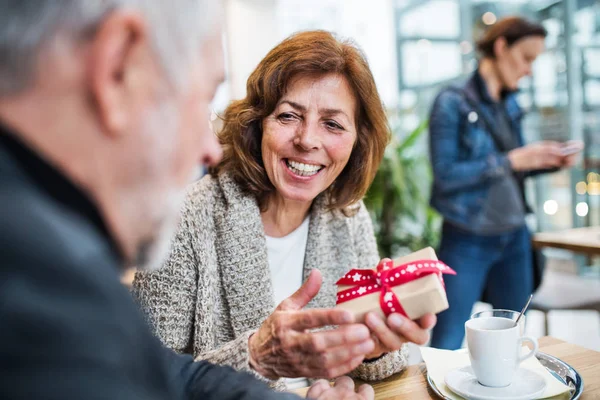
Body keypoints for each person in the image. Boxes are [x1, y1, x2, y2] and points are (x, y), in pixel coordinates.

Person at [0, 1, 373, 399]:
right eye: (201, 97)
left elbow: (168, 374)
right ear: (116, 66)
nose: (211, 149)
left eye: (332, 124)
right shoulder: (46, 283)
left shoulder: (53, 251)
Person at [133, 30, 436, 389]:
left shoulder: (350, 216)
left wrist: (373, 349)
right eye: (289, 116)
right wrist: (256, 354)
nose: (307, 140)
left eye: (333, 124)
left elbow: (368, 364)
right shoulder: (184, 217)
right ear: (258, 122)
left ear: (358, 142)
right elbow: (139, 376)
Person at [428, 16, 579, 350]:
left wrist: (548, 161)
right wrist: (513, 160)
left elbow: (514, 170)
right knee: (447, 341)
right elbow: (446, 176)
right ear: (500, 46)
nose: (528, 70)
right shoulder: (451, 101)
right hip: (467, 239)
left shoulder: (511, 103)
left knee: (510, 339)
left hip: (514, 238)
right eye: (526, 58)